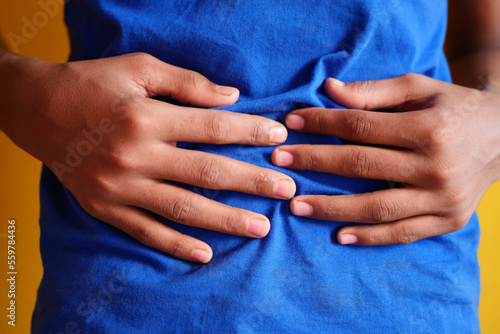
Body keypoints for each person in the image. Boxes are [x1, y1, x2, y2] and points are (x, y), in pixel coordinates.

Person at [0, 0, 499, 332]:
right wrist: (16, 90)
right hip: (131, 293)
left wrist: (493, 118)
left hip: (402, 290)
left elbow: (486, 35)